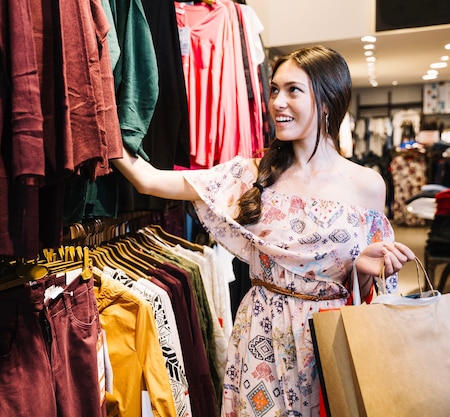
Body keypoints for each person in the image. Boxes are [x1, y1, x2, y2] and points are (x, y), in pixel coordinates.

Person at [111, 45, 415, 416]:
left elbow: (368, 296)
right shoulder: (251, 176)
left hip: (331, 339)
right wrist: (102, 121)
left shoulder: (368, 185)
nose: (278, 102)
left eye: (293, 90)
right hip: (263, 334)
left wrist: (363, 269)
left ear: (326, 101)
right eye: (274, 90)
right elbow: (149, 181)